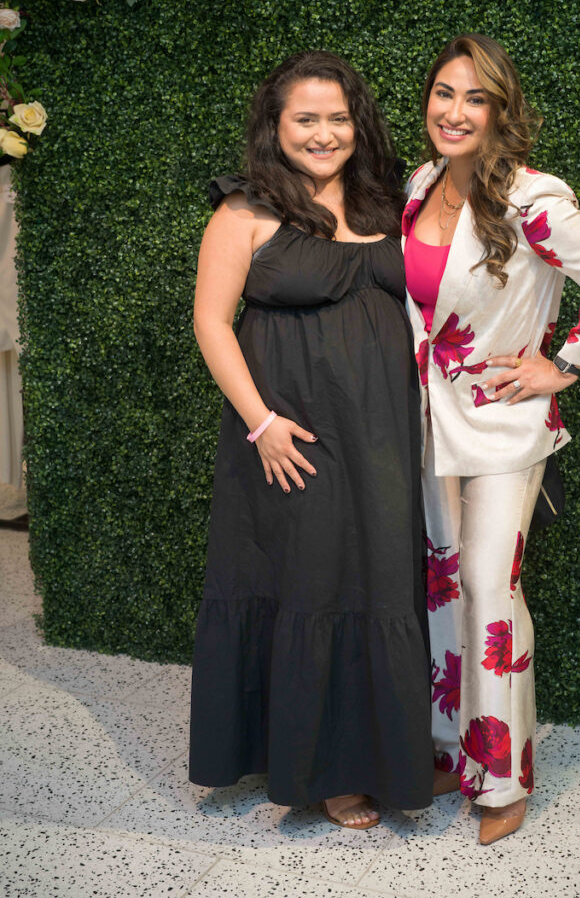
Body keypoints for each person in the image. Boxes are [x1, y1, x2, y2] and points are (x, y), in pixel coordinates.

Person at [402, 34, 580, 845]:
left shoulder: (533, 199)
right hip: (426, 420)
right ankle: (446, 746)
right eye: (443, 93)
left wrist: (561, 365)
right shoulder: (416, 184)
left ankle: (502, 773)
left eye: (475, 98)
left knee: (487, 589)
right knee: (439, 581)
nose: (454, 111)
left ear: (501, 112)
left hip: (504, 422)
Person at [189, 51, 433, 829]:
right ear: (276, 125)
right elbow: (210, 322)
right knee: (316, 584)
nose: (325, 134)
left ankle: (385, 749)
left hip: (388, 435)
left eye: (339, 118)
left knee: (381, 579)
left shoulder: (393, 206)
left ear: (358, 124)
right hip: (293, 434)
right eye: (307, 119)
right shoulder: (244, 212)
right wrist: (260, 422)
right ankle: (324, 769)